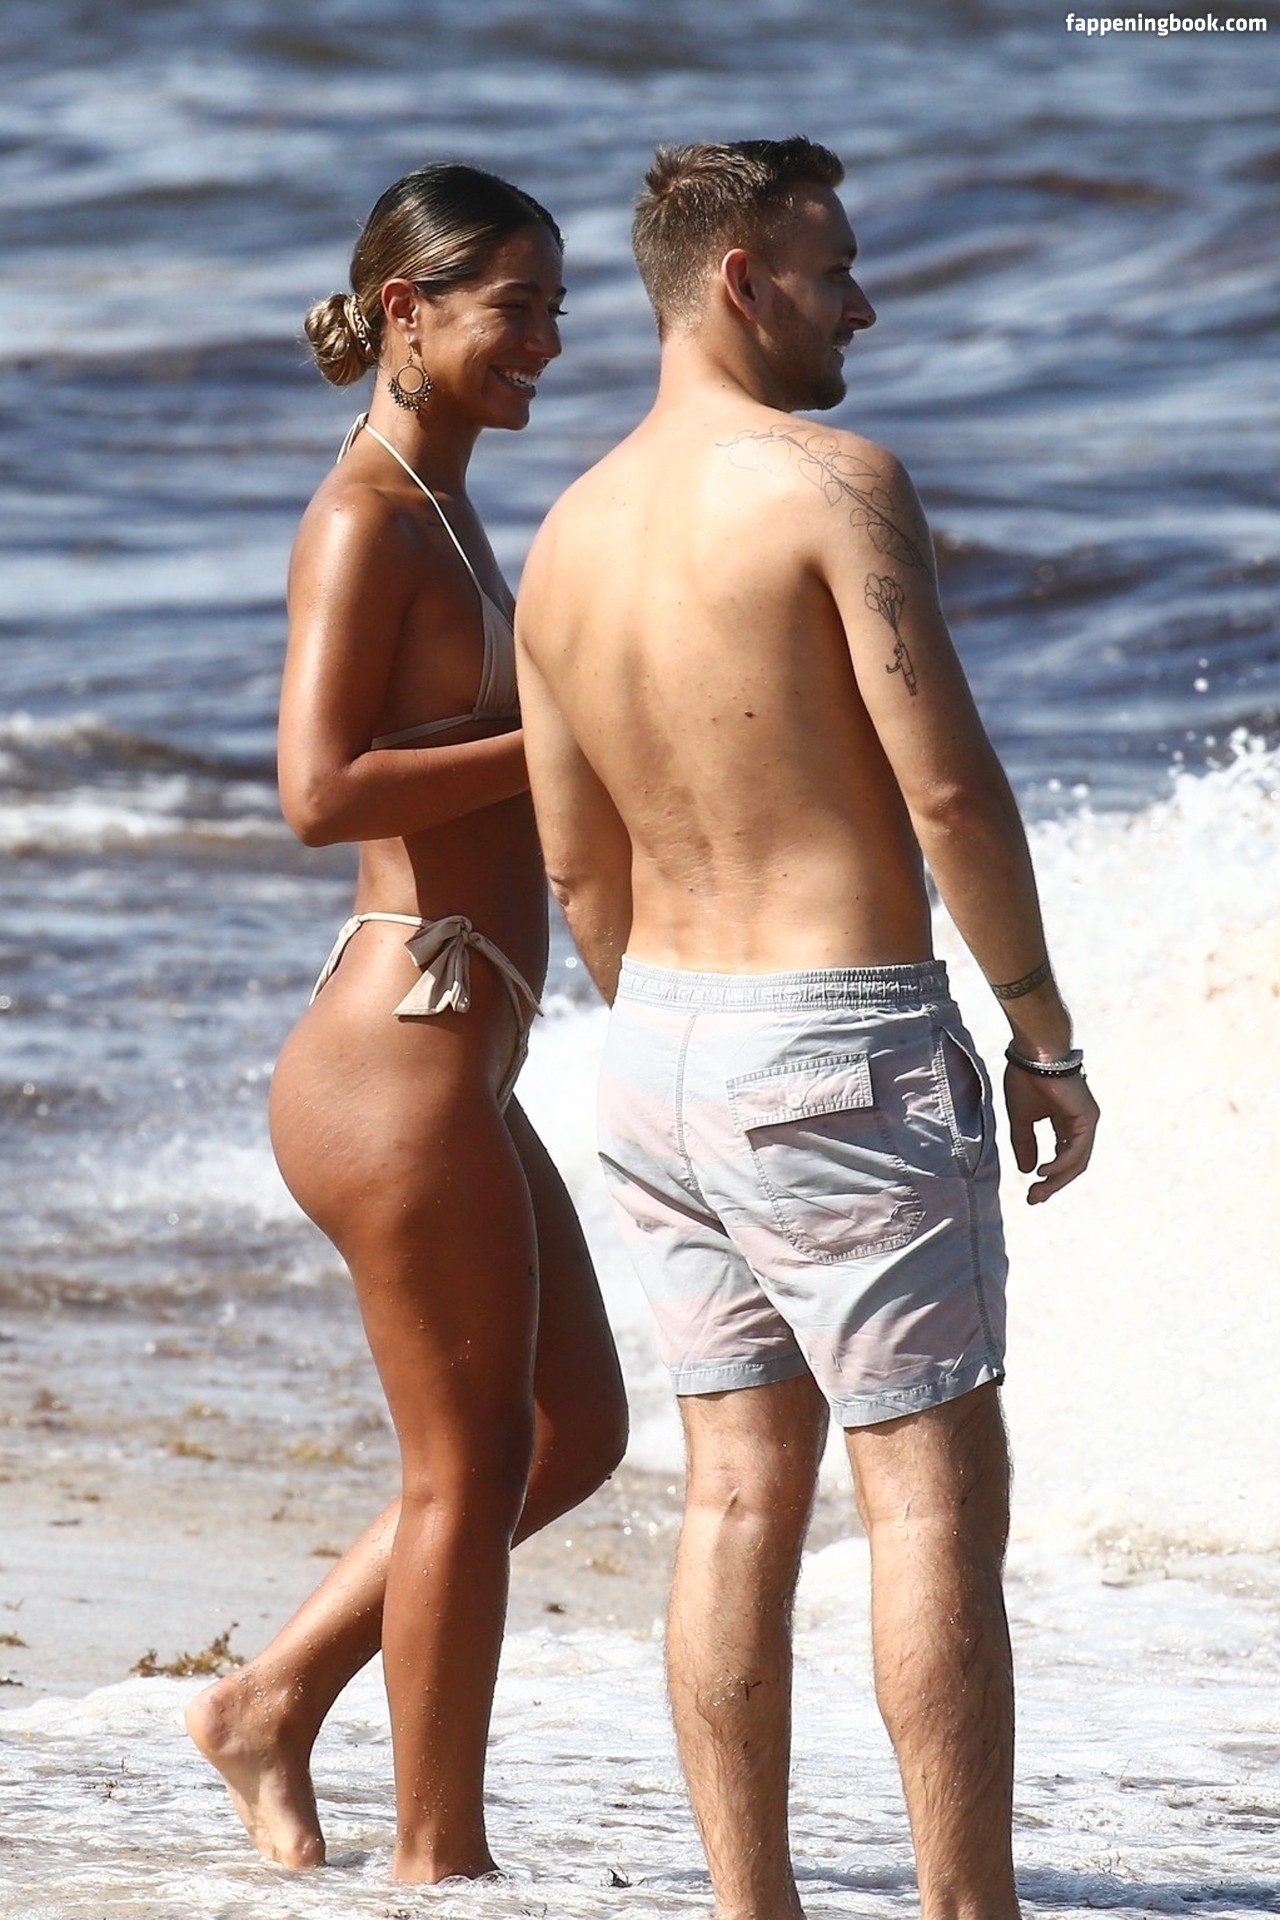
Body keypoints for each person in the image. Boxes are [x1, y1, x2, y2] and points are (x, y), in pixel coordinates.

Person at [515, 137, 1100, 1920]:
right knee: (929, 1506)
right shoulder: (833, 485)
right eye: (836, 270)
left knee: (733, 1500)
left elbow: (576, 865)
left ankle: (750, 1905)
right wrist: (1043, 1035)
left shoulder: (566, 534)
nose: (866, 304)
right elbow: (951, 794)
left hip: (657, 1051)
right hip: (835, 1038)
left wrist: (684, 1047)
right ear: (741, 282)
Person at [184, 163, 627, 1886]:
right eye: (516, 308)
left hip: (462, 1050)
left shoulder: (446, 504)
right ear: (407, 312)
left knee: (568, 1433)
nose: (548, 342)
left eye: (558, 308)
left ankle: (272, 1699)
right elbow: (317, 790)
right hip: (397, 1046)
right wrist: (562, 738)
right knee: (465, 1470)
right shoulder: (364, 515)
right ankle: (442, 1869)